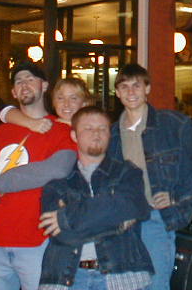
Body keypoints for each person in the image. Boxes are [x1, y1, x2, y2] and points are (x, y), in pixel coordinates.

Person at [109, 63, 192, 290]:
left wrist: (178, 196)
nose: (131, 92)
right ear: (117, 92)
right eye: (124, 87)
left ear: (147, 88)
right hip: (122, 225)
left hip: (155, 220)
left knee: (156, 286)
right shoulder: (111, 133)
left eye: (136, 85)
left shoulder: (172, 124)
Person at [0, 62, 78, 290]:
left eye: (30, 79)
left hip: (36, 239)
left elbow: (58, 169)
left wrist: (3, 182)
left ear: (44, 85)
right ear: (14, 93)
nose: (24, 85)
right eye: (18, 82)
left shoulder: (63, 130)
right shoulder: (2, 131)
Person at [38, 106, 154, 290]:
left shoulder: (127, 173)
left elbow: (136, 207)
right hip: (68, 277)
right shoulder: (58, 182)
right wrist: (115, 223)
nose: (97, 134)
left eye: (102, 128)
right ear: (74, 136)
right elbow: (61, 235)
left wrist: (68, 216)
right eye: (88, 129)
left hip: (122, 274)